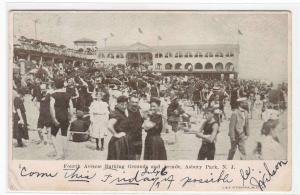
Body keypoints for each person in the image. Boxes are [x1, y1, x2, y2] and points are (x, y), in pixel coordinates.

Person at [50, 78, 73, 160]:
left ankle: (58, 153)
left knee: (53, 135)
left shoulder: (53, 95)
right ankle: (64, 152)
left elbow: (51, 107)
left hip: (57, 116)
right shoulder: (68, 95)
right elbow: (71, 108)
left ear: (55, 85)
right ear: (63, 85)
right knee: (64, 134)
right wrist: (70, 117)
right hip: (65, 116)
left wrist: (54, 119)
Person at [107, 95, 130, 160]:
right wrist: (116, 134)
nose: (124, 107)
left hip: (121, 141)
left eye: (126, 104)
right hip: (118, 142)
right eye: (122, 104)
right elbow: (109, 125)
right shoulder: (117, 114)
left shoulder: (121, 113)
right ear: (117, 104)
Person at [127, 95, 144, 160]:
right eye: (133, 102)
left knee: (137, 157)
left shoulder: (140, 111)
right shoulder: (125, 111)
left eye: (136, 102)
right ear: (129, 102)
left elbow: (143, 122)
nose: (134, 104)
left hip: (138, 138)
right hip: (128, 139)